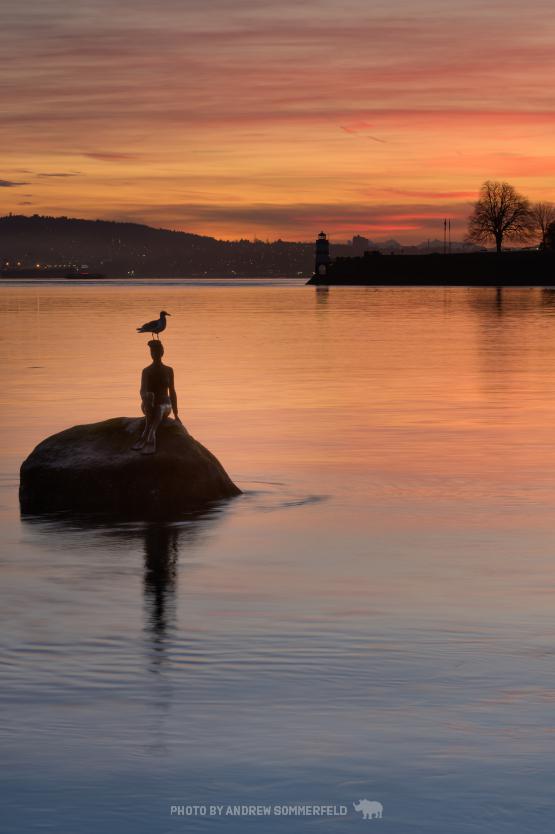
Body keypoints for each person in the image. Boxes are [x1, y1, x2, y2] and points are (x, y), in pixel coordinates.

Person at [132, 340, 181, 454]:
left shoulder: (169, 370)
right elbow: (142, 389)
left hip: (165, 404)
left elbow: (172, 391)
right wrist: (146, 396)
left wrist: (176, 414)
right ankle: (147, 428)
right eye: (152, 351)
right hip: (149, 404)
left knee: (159, 409)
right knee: (151, 402)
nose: (154, 353)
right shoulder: (146, 371)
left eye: (157, 351)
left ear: (162, 352)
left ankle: (150, 433)